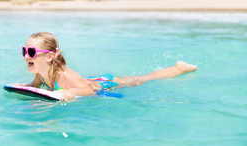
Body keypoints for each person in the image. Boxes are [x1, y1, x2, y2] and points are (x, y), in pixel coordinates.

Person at [19, 32, 197, 101]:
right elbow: (35, 85)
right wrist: (27, 88)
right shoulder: (41, 73)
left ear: (50, 56)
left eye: (32, 52)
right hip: (91, 81)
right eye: (24, 51)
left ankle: (179, 69)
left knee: (143, 79)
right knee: (139, 78)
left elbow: (90, 92)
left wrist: (72, 92)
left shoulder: (64, 75)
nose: (27, 56)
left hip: (103, 84)